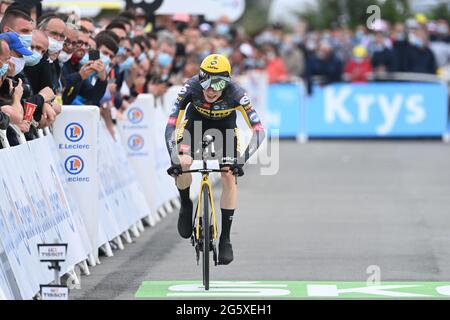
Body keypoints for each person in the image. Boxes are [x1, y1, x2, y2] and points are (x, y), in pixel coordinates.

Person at [165, 54, 265, 265]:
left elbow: (259, 131)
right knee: (183, 163)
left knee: (228, 174)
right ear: (199, 78)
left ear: (227, 81)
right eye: (206, 82)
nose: (210, 90)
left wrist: (241, 161)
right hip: (195, 124)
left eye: (217, 83)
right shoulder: (190, 88)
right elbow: (171, 125)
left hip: (225, 127)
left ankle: (226, 238)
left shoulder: (237, 93)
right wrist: (175, 157)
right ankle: (185, 204)